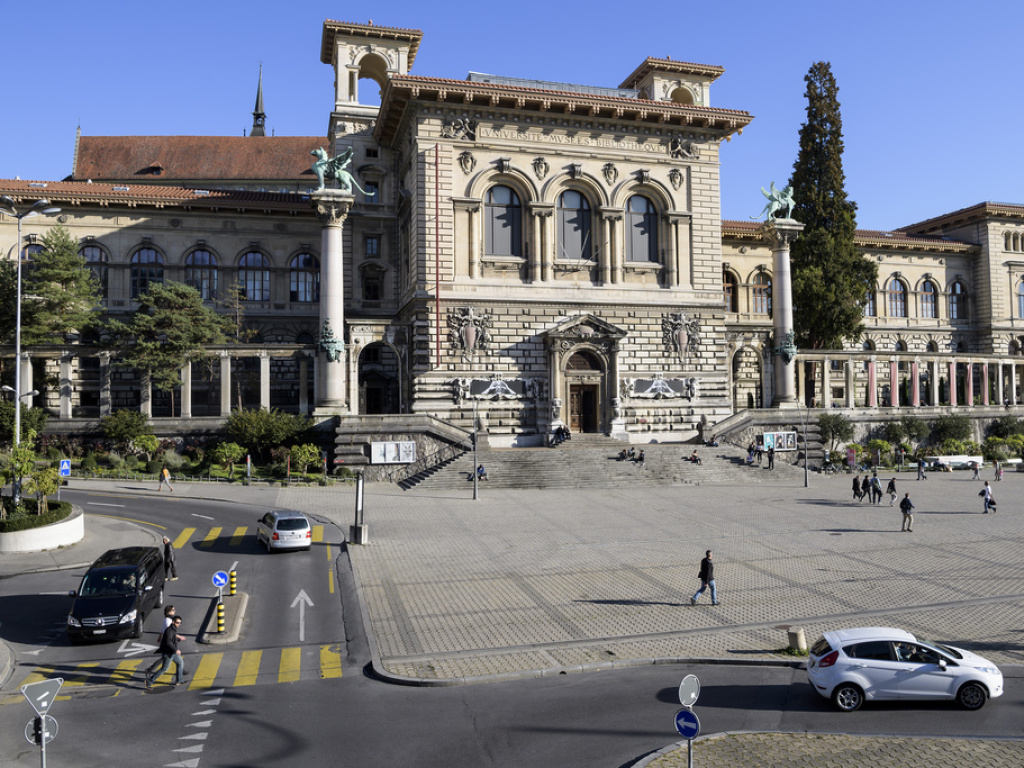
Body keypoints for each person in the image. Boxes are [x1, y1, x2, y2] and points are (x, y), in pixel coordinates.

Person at [146, 616, 186, 688]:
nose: (179, 624)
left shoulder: (173, 630)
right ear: (173, 622)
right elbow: (168, 642)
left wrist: (178, 639)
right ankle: (150, 680)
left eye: (180, 623)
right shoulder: (169, 630)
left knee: (180, 663)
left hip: (172, 652)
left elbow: (172, 639)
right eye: (177, 623)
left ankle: (179, 681)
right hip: (168, 653)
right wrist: (176, 650)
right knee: (164, 668)